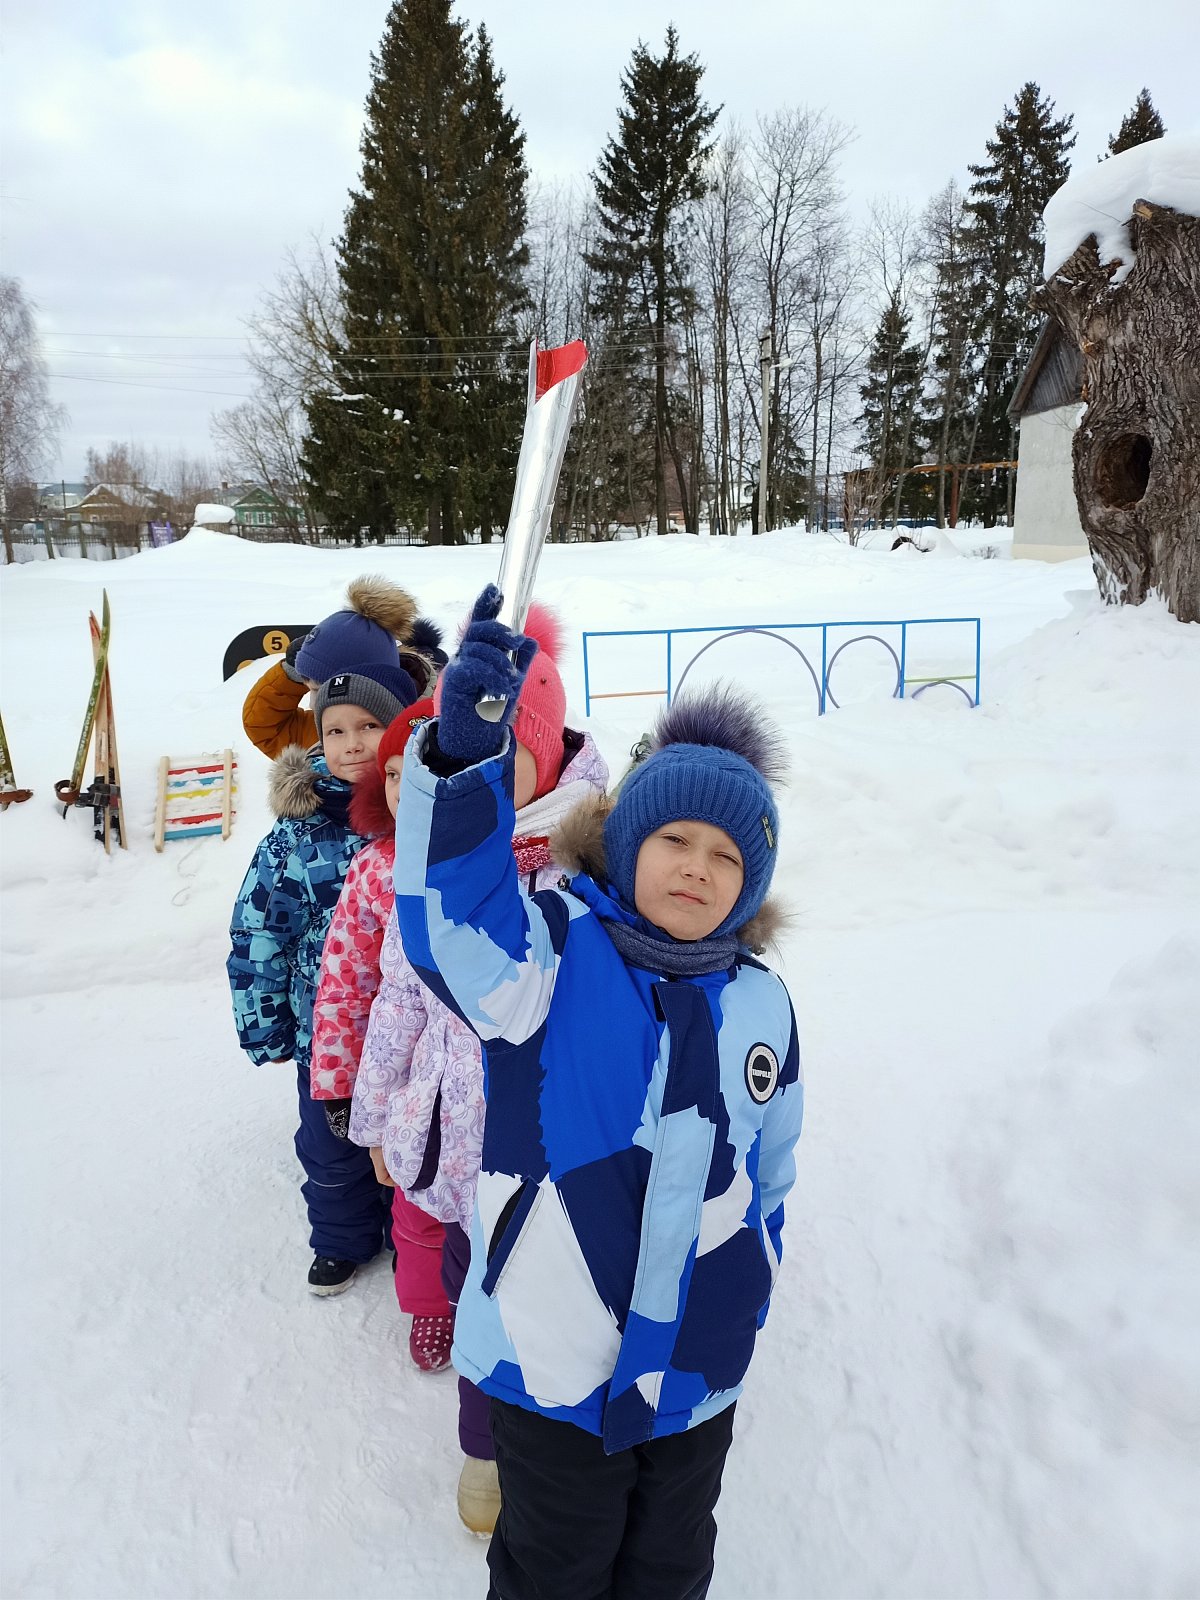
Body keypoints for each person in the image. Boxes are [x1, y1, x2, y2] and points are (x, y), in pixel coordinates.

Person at [393, 587, 804, 1600]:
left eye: (727, 856)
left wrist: (753, 1272)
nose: (698, 868)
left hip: (697, 1365)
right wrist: (462, 769)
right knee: (556, 1567)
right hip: (554, 1355)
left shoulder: (762, 1003)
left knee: (671, 1564)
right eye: (675, 840)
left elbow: (774, 1162)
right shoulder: (549, 956)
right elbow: (451, 923)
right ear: (625, 842)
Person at [346, 603, 609, 1536]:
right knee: (480, 1311)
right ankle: (485, 1452)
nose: (492, 767)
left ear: (547, 752)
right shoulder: (431, 861)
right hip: (461, 1158)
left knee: (565, 1308)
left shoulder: (597, 868)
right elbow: (398, 1000)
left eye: (511, 750)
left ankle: (568, 1443)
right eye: (478, 747)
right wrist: (377, 1118)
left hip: (564, 1165)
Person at [227, 660, 420, 1295]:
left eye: (370, 726)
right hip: (328, 1039)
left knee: (412, 1138)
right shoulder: (296, 839)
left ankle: (411, 1237)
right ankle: (342, 1239)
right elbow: (258, 936)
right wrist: (267, 1027)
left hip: (411, 1039)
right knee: (331, 1150)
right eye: (335, 730)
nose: (353, 744)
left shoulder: (424, 824)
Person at [308, 698, 457, 1368]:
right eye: (393, 774)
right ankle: (429, 1305)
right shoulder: (375, 868)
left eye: (420, 772)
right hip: (401, 1071)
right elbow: (345, 984)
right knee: (417, 1199)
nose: (404, 788)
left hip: (487, 1077)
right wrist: (345, 1085)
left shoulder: (503, 860)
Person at [241, 574, 445, 761]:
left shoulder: (427, 735)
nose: (312, 703)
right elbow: (267, 728)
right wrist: (291, 673)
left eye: (319, 690)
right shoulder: (327, 729)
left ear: (364, 687)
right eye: (308, 688)